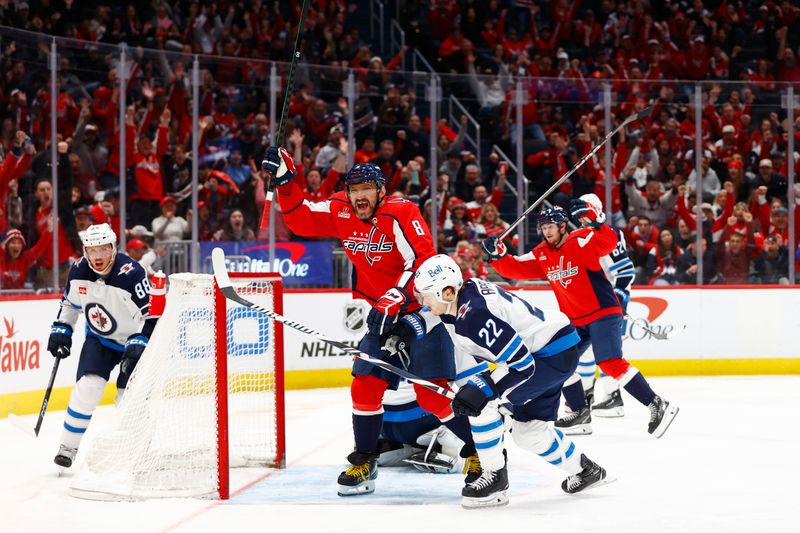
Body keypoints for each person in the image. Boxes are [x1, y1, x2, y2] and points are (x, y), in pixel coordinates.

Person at [264, 148, 476, 496]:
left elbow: (424, 260)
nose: (359, 196)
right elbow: (299, 217)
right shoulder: (340, 210)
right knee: (364, 385)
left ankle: (477, 452)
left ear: (381, 191)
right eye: (354, 189)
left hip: (420, 311)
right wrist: (287, 180)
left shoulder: (401, 211)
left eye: (367, 189)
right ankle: (365, 459)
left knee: (432, 394)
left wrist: (397, 295)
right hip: (382, 316)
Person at [388, 254, 612, 508]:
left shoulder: (475, 317)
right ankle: (586, 471)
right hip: (554, 347)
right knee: (528, 432)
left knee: (482, 405)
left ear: (448, 292)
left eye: (425, 296)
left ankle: (495, 479)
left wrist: (484, 390)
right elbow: (438, 313)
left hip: (548, 355)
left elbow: (522, 365)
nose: (421, 302)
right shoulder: (460, 297)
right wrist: (407, 329)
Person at [482, 204, 679, 438]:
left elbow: (609, 242)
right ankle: (579, 412)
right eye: (543, 227)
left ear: (563, 226)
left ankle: (657, 404)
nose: (547, 232)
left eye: (551, 226)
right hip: (574, 320)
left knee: (610, 363)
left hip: (602, 312)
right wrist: (498, 256)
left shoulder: (582, 239)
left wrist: (597, 222)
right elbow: (515, 268)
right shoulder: (543, 252)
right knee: (559, 363)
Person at [47, 224, 157, 468]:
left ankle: (139, 453)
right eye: (92, 250)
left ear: (114, 248)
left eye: (103, 249)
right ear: (85, 250)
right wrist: (62, 329)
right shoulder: (78, 270)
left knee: (127, 398)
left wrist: (141, 339)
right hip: (101, 339)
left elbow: (151, 314)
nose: (97, 256)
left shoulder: (131, 272)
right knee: (88, 388)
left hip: (133, 341)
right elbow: (70, 305)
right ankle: (68, 447)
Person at [573, 194, 635, 419]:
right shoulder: (579, 236)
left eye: (584, 214)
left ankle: (612, 396)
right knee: (585, 354)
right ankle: (589, 396)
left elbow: (626, 272)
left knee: (607, 353)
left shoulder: (611, 235)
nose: (581, 220)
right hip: (589, 304)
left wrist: (618, 297)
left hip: (608, 304)